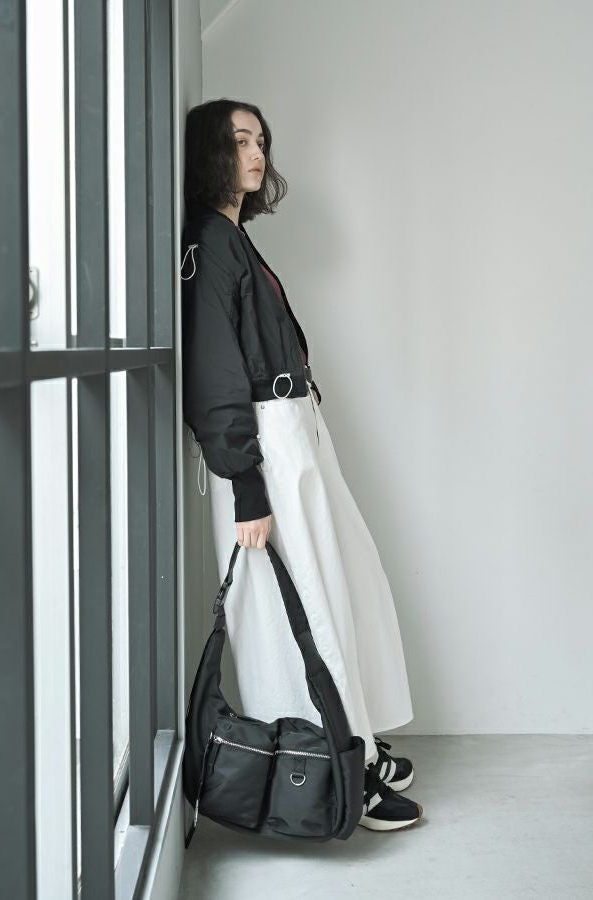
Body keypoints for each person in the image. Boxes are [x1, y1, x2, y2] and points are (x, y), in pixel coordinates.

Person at [180, 98, 423, 831]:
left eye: (261, 140)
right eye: (240, 141)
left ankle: (350, 740)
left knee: (337, 588)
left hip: (293, 430)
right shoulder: (210, 242)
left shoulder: (232, 237)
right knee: (303, 605)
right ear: (211, 153)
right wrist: (245, 483)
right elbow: (213, 371)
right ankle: (332, 771)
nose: (256, 154)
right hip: (267, 442)